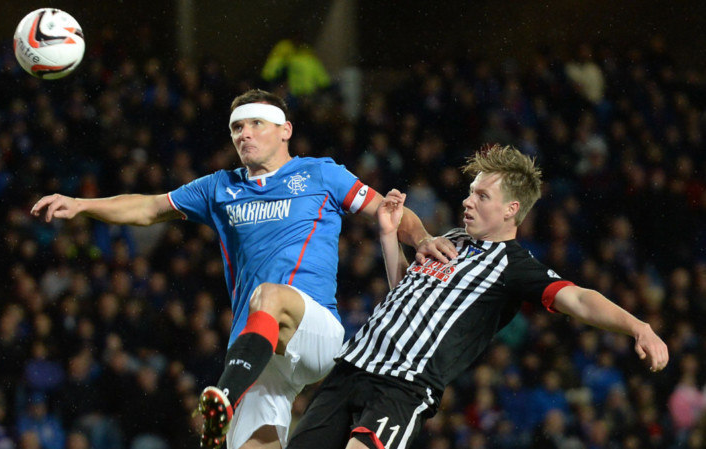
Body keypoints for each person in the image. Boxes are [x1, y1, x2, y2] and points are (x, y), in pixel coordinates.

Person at [31, 89, 456, 449]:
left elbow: (391, 211)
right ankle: (232, 400)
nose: (244, 134)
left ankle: (225, 396)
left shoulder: (320, 173)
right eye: (237, 127)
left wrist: (421, 239)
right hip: (256, 352)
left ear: (284, 130)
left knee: (268, 295)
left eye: (255, 124)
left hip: (315, 330)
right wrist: (83, 205)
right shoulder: (219, 187)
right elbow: (147, 207)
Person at [286, 144, 669, 449]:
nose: (468, 201)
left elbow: (580, 300)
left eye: (482, 196)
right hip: (352, 366)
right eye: (470, 192)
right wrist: (388, 236)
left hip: (401, 387)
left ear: (511, 210)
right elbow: (403, 296)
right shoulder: (449, 239)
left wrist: (638, 326)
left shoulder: (514, 265)